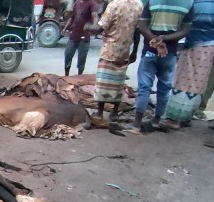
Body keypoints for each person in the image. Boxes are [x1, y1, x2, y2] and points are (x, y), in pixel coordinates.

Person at [133, 0, 194, 130]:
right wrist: (164, 39)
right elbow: (185, 30)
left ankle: (137, 122)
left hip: (149, 50)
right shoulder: (188, 3)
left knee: (144, 86)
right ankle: (156, 119)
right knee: (164, 87)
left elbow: (142, 26)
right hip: (169, 52)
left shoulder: (152, 1)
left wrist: (156, 41)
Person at [85, 0, 143, 121]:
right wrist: (134, 50)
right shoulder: (138, 5)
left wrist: (87, 26)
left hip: (109, 50)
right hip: (124, 51)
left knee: (103, 82)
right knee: (118, 83)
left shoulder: (114, 5)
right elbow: (137, 31)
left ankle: (100, 112)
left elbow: (99, 28)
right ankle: (115, 112)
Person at [163, 0, 214, 129]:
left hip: (194, 46)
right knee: (199, 83)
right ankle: (187, 117)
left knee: (184, 82)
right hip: (209, 48)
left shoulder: (195, 4)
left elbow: (183, 25)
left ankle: (175, 120)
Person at [62, 0, 98, 76]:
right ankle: (66, 75)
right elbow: (72, 17)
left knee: (81, 59)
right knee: (68, 54)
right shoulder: (77, 3)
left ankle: (79, 76)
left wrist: (94, 26)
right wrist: (65, 28)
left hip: (84, 36)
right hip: (74, 35)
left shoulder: (91, 3)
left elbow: (95, 16)